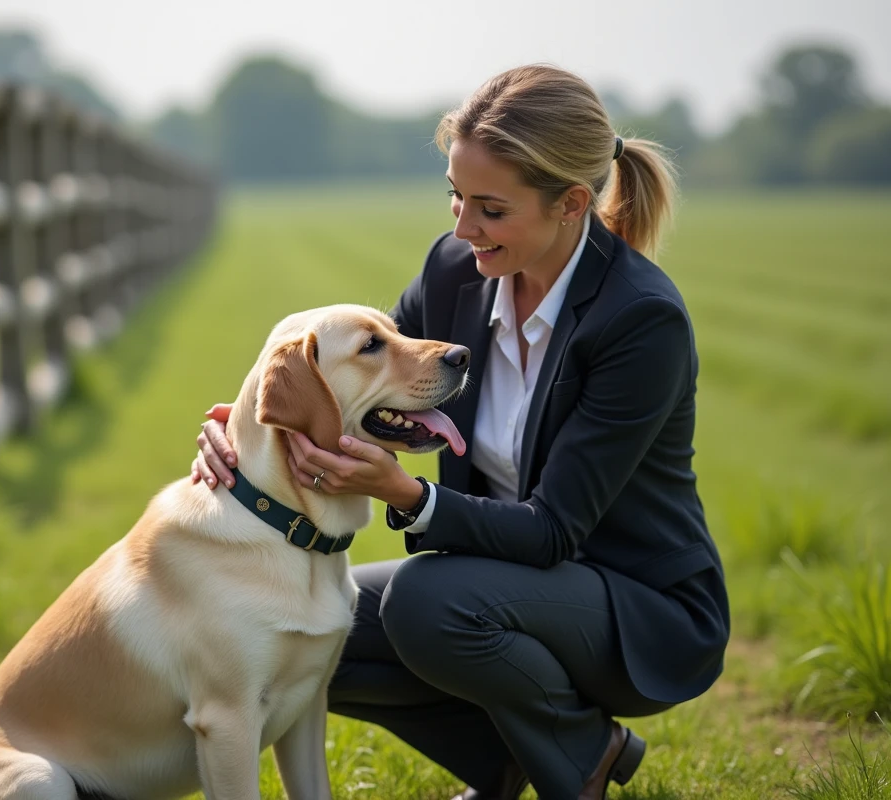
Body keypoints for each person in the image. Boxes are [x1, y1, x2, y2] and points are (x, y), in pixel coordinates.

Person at [190, 64, 730, 800]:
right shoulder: (455, 271)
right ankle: (502, 761)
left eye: (490, 208)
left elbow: (552, 531)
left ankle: (580, 753)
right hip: (510, 584)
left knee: (425, 602)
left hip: (636, 609)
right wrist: (246, 421)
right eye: (454, 195)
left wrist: (408, 496)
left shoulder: (640, 320)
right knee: (312, 631)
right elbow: (360, 379)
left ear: (571, 203)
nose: (461, 225)